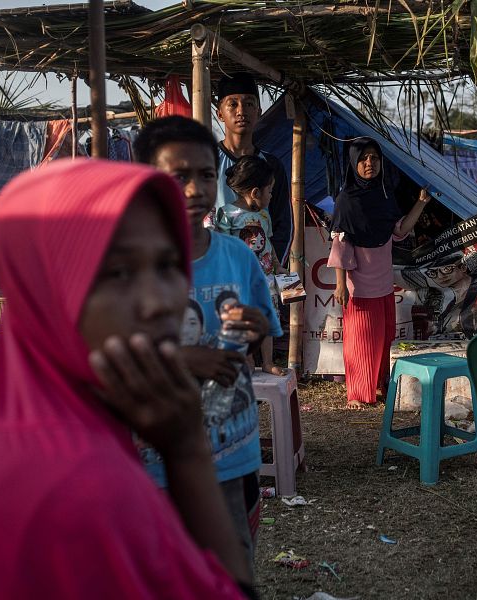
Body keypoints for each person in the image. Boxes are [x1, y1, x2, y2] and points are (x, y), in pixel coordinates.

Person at [0, 160, 251, 599]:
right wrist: (188, 453)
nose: (161, 302)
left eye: (168, 263)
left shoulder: (13, 421)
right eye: (118, 272)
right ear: (46, 288)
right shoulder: (83, 488)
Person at [133, 115, 282, 582]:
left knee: (229, 571)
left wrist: (255, 327)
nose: (195, 188)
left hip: (230, 452)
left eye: (204, 174)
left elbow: (259, 325)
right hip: (158, 458)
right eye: (178, 177)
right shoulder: (132, 266)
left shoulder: (238, 256)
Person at [328, 137, 431, 409]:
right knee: (361, 341)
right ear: (353, 163)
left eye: (374, 158)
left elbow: (399, 230)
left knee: (384, 338)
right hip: (359, 288)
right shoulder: (346, 200)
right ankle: (357, 394)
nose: (369, 163)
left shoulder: (385, 195)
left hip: (384, 285)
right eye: (363, 158)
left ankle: (378, 384)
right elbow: (340, 244)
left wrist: (421, 203)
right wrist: (340, 284)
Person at [217, 154, 287, 376]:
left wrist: (278, 266)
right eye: (270, 190)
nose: (271, 195)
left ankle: (267, 361)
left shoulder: (264, 214)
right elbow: (222, 247)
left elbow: (268, 243)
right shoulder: (227, 214)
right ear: (256, 192)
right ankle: (247, 360)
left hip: (265, 278)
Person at [213, 72, 292, 264]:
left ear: (259, 112)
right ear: (220, 113)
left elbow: (284, 225)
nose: (241, 111)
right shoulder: (207, 161)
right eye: (233, 104)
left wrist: (269, 269)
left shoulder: (272, 165)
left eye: (249, 103)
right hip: (219, 269)